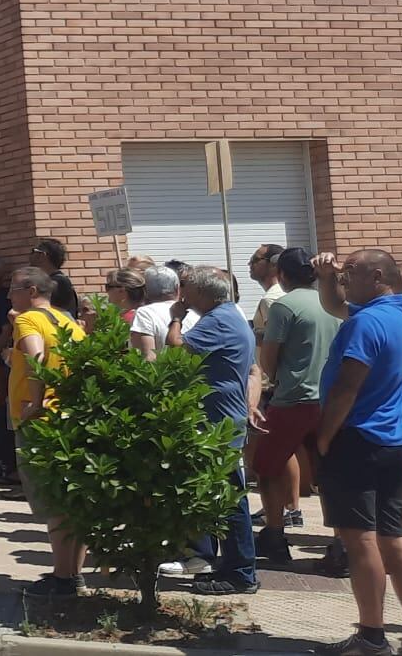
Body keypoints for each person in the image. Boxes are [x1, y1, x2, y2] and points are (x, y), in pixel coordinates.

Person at [311, 250, 402, 656]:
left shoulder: (367, 322)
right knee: (396, 540)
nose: (344, 278)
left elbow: (347, 387)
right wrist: (327, 278)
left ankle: (372, 637)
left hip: (356, 440)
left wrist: (324, 438)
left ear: (377, 275)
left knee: (361, 541)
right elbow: (335, 304)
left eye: (351, 272)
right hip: (393, 441)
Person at [158, 267, 259, 595]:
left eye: (187, 289)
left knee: (230, 501)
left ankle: (241, 573)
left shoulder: (218, 320)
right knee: (224, 499)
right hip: (223, 419)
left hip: (220, 424)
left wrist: (176, 317)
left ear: (203, 293)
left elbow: (176, 348)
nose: (183, 295)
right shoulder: (230, 315)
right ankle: (231, 567)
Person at [8, 268, 90, 599]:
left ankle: (61, 578)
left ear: (30, 291)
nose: (8, 296)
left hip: (42, 421)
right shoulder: (67, 321)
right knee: (73, 502)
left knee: (54, 503)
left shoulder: (27, 319)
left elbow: (36, 355)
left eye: (12, 290)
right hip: (71, 416)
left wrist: (36, 401)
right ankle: (74, 575)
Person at [253, 248, 334, 562]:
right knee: (329, 472)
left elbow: (269, 355)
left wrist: (271, 378)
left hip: (292, 397)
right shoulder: (335, 303)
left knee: (267, 466)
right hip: (329, 398)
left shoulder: (284, 306)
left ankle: (275, 533)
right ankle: (340, 541)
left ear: (282, 275)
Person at [131, 266, 195, 360]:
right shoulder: (194, 312)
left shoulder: (145, 313)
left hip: (163, 373)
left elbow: (148, 357)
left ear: (145, 291)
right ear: (177, 289)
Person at [29, 238, 79, 314]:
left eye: (33, 251)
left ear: (42, 255)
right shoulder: (51, 281)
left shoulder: (58, 282)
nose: (30, 256)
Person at [250, 245, 287, 334]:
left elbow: (276, 340)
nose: (250, 264)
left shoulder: (271, 299)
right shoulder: (285, 291)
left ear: (274, 264)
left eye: (255, 260)